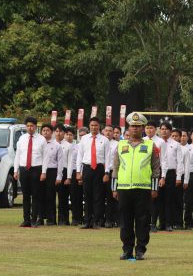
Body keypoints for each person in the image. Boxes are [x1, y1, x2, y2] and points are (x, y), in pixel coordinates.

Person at [112, 112, 161, 261]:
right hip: (124, 188)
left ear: (143, 128)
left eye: (138, 126)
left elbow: (156, 169)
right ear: (128, 127)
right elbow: (115, 167)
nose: (135, 129)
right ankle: (127, 250)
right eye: (132, 126)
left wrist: (154, 188)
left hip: (143, 189)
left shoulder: (151, 145)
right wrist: (114, 188)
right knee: (125, 221)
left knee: (142, 220)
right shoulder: (120, 145)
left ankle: (140, 250)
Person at [14, 117, 48, 227]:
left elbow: (45, 157)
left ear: (35, 126)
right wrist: (15, 170)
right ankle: (26, 220)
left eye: (32, 125)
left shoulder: (41, 139)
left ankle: (34, 220)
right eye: (28, 125)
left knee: (36, 195)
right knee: (25, 196)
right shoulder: (22, 139)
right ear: (26, 126)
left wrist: (43, 172)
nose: (30, 127)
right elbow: (18, 155)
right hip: (24, 169)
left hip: (36, 169)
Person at [76, 116, 110, 229]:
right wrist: (78, 171)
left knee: (98, 196)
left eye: (96, 125)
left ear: (99, 126)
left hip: (99, 169)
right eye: (92, 125)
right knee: (87, 196)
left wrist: (106, 173)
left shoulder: (104, 140)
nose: (94, 127)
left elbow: (108, 157)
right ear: (89, 126)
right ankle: (87, 221)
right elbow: (80, 156)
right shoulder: (84, 139)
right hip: (87, 169)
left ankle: (96, 221)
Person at [158, 122, 182, 231]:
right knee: (158, 199)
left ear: (170, 131)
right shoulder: (156, 143)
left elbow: (180, 162)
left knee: (169, 199)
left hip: (171, 173)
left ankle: (168, 223)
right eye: (162, 129)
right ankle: (160, 223)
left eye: (166, 129)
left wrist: (178, 177)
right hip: (157, 172)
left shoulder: (176, 144)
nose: (164, 131)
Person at [42, 124, 64, 226]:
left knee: (50, 196)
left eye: (48, 130)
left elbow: (60, 162)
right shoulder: (39, 144)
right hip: (40, 171)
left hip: (52, 171)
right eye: (44, 130)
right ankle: (40, 217)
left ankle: (51, 219)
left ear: (52, 132)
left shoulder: (57, 145)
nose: (45, 132)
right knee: (40, 195)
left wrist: (59, 176)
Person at [58, 125, 74, 226]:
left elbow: (70, 163)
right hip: (53, 172)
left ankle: (64, 219)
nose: (58, 133)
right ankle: (52, 218)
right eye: (57, 131)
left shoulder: (68, 146)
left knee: (63, 198)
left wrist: (68, 177)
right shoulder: (52, 144)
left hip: (64, 172)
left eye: (60, 131)